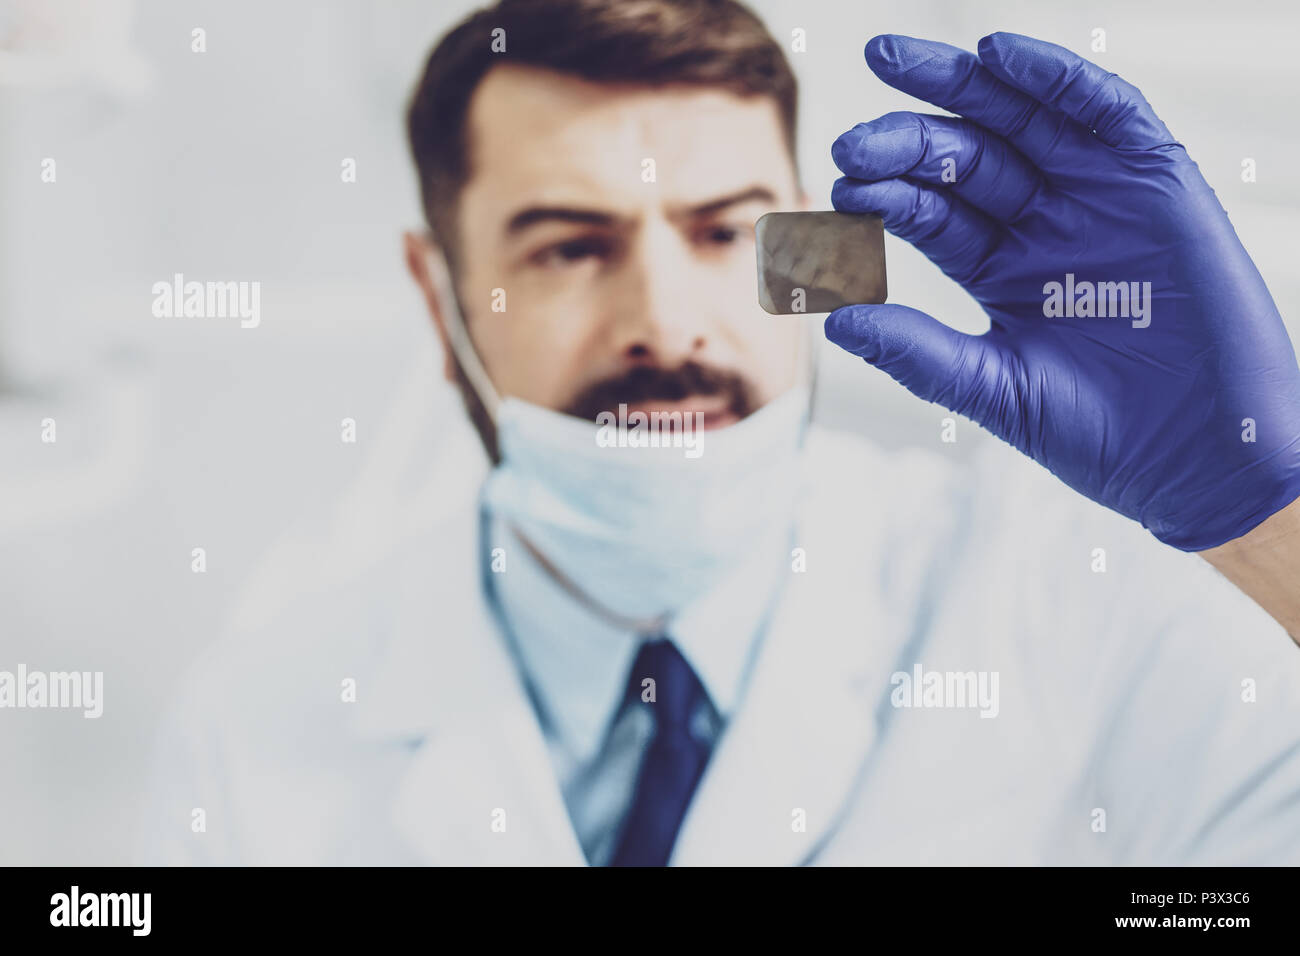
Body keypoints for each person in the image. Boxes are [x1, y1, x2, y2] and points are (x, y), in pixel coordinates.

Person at [138, 0, 1300, 866]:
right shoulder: (256, 727)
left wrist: (1262, 516)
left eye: (723, 233)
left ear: (813, 251)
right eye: (567, 245)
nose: (664, 321)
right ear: (437, 297)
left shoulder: (1065, 600)